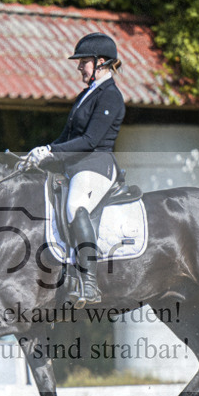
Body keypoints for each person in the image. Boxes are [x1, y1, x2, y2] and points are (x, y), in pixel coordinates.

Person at [22, 32, 126, 307]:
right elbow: (67, 138)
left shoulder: (111, 96)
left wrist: (53, 152)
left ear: (101, 62)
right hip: (76, 165)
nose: (79, 66)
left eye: (84, 61)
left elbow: (91, 141)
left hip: (96, 165)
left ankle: (89, 283)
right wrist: (41, 153)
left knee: (74, 206)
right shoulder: (86, 95)